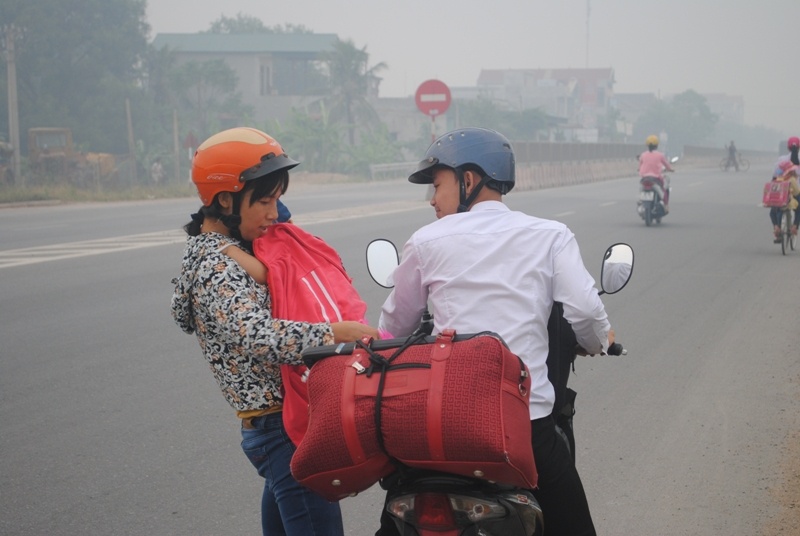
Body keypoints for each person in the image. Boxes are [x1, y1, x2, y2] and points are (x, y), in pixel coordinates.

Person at [377, 127, 613, 536]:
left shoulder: (425, 241)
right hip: (524, 426)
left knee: (395, 519)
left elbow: (394, 328)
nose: (432, 199)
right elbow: (587, 312)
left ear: (468, 180)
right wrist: (599, 342)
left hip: (442, 423)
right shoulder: (551, 235)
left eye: (437, 185)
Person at [170, 126, 378, 536]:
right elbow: (258, 336)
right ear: (226, 199)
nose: (273, 212)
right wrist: (336, 331)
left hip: (282, 423)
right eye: (264, 201)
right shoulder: (215, 267)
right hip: (280, 430)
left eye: (278, 199)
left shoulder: (234, 248)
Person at [638, 134, 674, 212]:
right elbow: (666, 164)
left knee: (640, 191)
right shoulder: (660, 155)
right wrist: (670, 169)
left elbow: (640, 166)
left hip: (644, 179)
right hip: (656, 179)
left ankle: (641, 203)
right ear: (657, 145)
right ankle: (666, 205)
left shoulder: (643, 155)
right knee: (664, 189)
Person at [768, 160, 800, 241]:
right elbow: (796, 192)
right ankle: (795, 226)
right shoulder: (791, 179)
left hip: (777, 203)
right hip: (788, 203)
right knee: (798, 208)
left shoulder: (776, 179)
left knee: (773, 212)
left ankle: (776, 227)